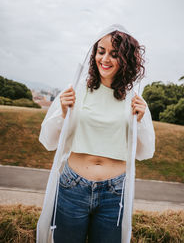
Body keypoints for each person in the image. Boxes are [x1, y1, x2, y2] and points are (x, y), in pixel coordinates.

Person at [36, 24, 155, 243]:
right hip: (73, 187)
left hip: (115, 193)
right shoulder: (75, 91)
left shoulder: (135, 99)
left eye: (114, 53)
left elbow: (144, 152)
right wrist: (63, 113)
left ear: (127, 59)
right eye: (101, 51)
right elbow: (48, 141)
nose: (105, 59)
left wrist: (140, 122)